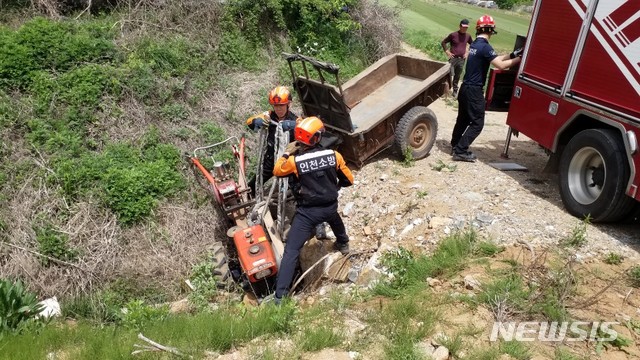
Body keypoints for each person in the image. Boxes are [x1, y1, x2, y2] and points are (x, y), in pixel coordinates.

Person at [272, 116, 354, 303]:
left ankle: (280, 296)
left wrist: (286, 153)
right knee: (333, 217)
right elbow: (349, 180)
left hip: (307, 213)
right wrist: (335, 186)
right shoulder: (334, 155)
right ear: (316, 137)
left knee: (292, 250)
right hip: (329, 206)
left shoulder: (295, 161)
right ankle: (343, 243)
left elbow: (277, 171)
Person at [450, 15, 523, 162]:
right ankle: (461, 150)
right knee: (477, 122)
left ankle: (455, 144)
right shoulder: (485, 46)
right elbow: (501, 65)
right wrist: (521, 58)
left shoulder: (476, 44)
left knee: (463, 119)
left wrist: (512, 54)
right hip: (474, 90)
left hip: (465, 88)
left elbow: (494, 58)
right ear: (491, 30)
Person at [246, 86, 298, 196]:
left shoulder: (295, 119)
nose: (278, 109)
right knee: (253, 185)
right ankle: (251, 203)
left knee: (297, 187)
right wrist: (257, 121)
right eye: (276, 106)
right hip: (271, 158)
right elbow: (249, 121)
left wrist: (295, 126)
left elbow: (307, 128)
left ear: (288, 104)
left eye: (281, 105)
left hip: (288, 160)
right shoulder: (269, 116)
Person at [441, 19, 473, 98]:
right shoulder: (453, 35)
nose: (464, 29)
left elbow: (473, 45)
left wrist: (467, 52)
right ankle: (445, 91)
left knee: (457, 76)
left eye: (466, 27)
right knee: (449, 74)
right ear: (460, 26)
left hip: (461, 60)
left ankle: (455, 91)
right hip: (453, 58)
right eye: (463, 27)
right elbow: (443, 42)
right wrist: (447, 51)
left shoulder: (468, 36)